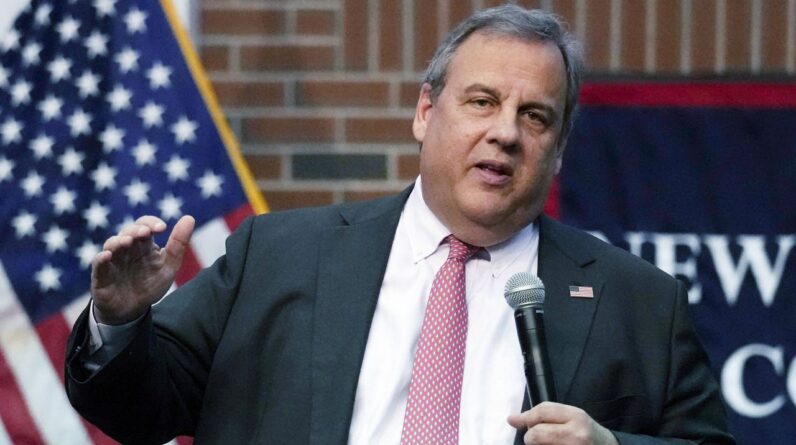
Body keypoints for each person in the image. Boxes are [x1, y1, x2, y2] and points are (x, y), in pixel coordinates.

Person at [66, 5, 735, 445]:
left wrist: (612, 444)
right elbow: (141, 409)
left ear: (558, 150)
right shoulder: (278, 256)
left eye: (536, 116)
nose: (505, 132)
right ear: (425, 112)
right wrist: (120, 321)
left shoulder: (639, 301)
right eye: (482, 101)